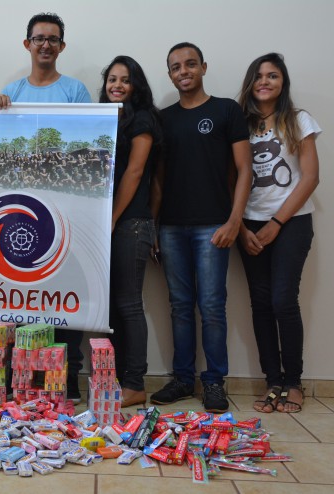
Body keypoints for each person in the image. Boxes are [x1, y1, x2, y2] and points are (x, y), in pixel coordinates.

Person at [0, 12, 90, 403]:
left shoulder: (75, 91)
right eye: (38, 38)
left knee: (65, 295)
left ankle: (69, 378)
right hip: (23, 210)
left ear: (61, 46)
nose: (45, 45)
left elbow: (83, 144)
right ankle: (25, 380)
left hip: (66, 209)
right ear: (27, 44)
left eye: (52, 39)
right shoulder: (11, 91)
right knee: (23, 295)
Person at [150, 42, 252, 412]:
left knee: (211, 306)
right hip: (171, 227)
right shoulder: (163, 119)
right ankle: (182, 379)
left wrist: (234, 220)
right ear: (170, 75)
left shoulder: (226, 110)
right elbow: (158, 179)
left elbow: (245, 169)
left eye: (190, 64)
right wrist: (155, 227)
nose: (184, 71)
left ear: (203, 67)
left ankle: (213, 382)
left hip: (214, 226)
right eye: (176, 67)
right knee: (180, 306)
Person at [237, 53, 320, 414]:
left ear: (283, 81)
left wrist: (276, 223)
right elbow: (228, 177)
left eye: (272, 75)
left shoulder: (298, 120)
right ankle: (273, 380)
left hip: (292, 222)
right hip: (248, 224)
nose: (265, 81)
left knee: (284, 300)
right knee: (260, 302)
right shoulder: (238, 123)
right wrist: (240, 227)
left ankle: (294, 382)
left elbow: (311, 177)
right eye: (258, 76)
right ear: (250, 83)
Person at [100, 56, 162, 408]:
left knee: (128, 303)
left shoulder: (143, 119)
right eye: (112, 79)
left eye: (125, 80)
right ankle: (119, 379)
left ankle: (136, 383)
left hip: (131, 223)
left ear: (136, 86)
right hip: (109, 223)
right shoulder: (107, 119)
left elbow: (135, 172)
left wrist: (111, 218)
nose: (117, 85)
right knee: (110, 307)